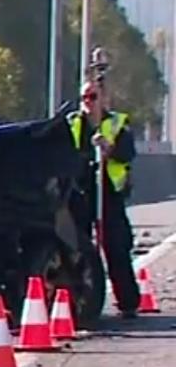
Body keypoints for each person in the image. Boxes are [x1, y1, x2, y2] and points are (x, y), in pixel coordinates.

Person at [69, 74, 141, 318]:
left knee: (117, 246)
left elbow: (127, 153)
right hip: (81, 191)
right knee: (76, 246)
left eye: (92, 97)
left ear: (103, 99)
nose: (87, 102)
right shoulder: (73, 124)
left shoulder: (117, 125)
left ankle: (128, 302)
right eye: (84, 97)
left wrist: (107, 148)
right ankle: (78, 301)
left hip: (109, 193)